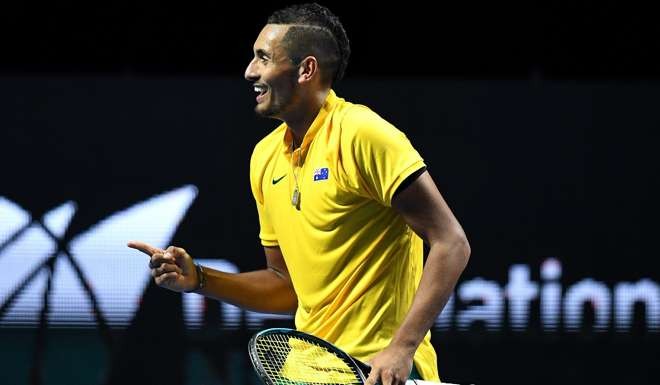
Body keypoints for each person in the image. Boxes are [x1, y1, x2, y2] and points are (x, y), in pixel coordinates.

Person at [128, 3, 469, 385]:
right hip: (304, 372)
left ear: (306, 69)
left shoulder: (363, 135)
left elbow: (451, 243)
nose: (250, 71)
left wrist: (402, 347)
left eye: (263, 58)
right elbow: (284, 284)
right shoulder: (265, 157)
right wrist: (200, 279)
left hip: (377, 370)